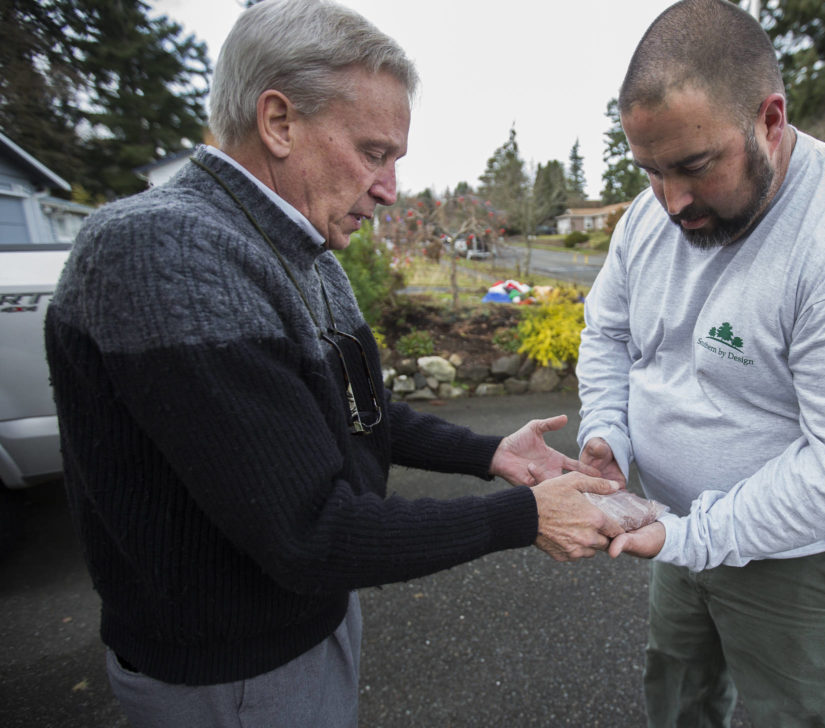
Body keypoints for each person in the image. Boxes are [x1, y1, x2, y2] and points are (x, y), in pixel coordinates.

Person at [43, 1, 624, 726]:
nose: (387, 190)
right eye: (374, 152)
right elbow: (309, 535)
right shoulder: (164, 252)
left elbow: (355, 408)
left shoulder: (296, 245)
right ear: (279, 121)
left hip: (305, 628)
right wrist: (522, 515)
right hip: (231, 671)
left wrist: (490, 453)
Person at [575, 1, 825, 725]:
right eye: (651, 170)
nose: (671, 202)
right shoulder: (645, 218)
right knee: (678, 698)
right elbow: (606, 334)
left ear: (770, 118)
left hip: (807, 567)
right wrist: (608, 434)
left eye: (695, 166)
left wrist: (694, 536)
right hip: (676, 530)